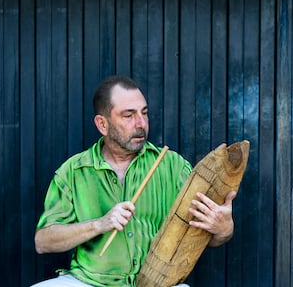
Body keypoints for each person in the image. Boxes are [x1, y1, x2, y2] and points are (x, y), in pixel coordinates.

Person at [32, 75, 236, 287]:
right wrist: (100, 224)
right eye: (129, 115)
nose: (141, 123)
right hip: (90, 282)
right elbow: (43, 241)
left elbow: (207, 236)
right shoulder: (73, 172)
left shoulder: (172, 166)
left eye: (144, 113)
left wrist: (223, 229)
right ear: (102, 124)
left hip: (158, 282)